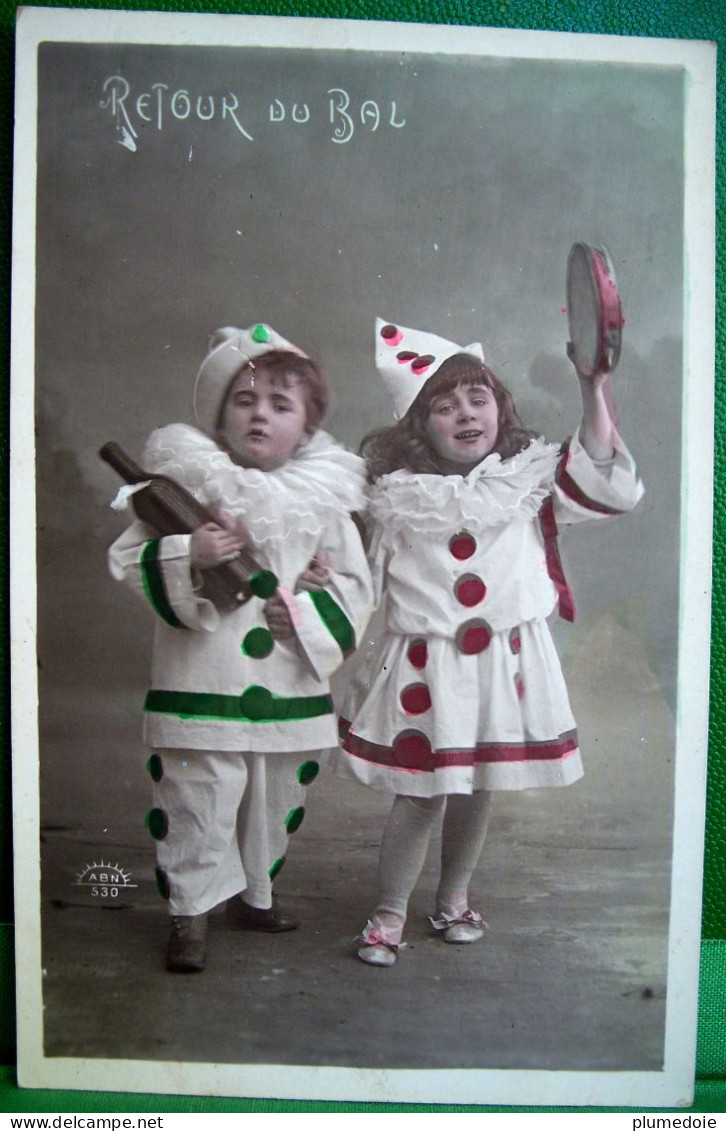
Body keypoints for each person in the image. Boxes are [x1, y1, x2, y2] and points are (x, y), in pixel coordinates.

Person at [334, 318, 644, 966]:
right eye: (443, 407)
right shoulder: (395, 499)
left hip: (505, 662)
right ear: (418, 428)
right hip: (427, 666)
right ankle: (388, 913)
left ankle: (452, 897)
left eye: (477, 398)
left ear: (501, 407)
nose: (465, 414)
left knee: (479, 785)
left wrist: (594, 386)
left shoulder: (528, 481)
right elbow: (356, 572)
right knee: (422, 792)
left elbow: (605, 473)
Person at [108, 323, 373, 973]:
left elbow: (353, 581)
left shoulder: (322, 498)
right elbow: (126, 557)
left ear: (307, 426)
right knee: (199, 796)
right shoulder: (185, 487)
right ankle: (190, 910)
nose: (261, 413)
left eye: (282, 404)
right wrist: (187, 553)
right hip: (205, 674)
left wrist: (307, 612)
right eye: (246, 399)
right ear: (221, 415)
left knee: (273, 797)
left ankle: (255, 893)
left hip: (288, 684)